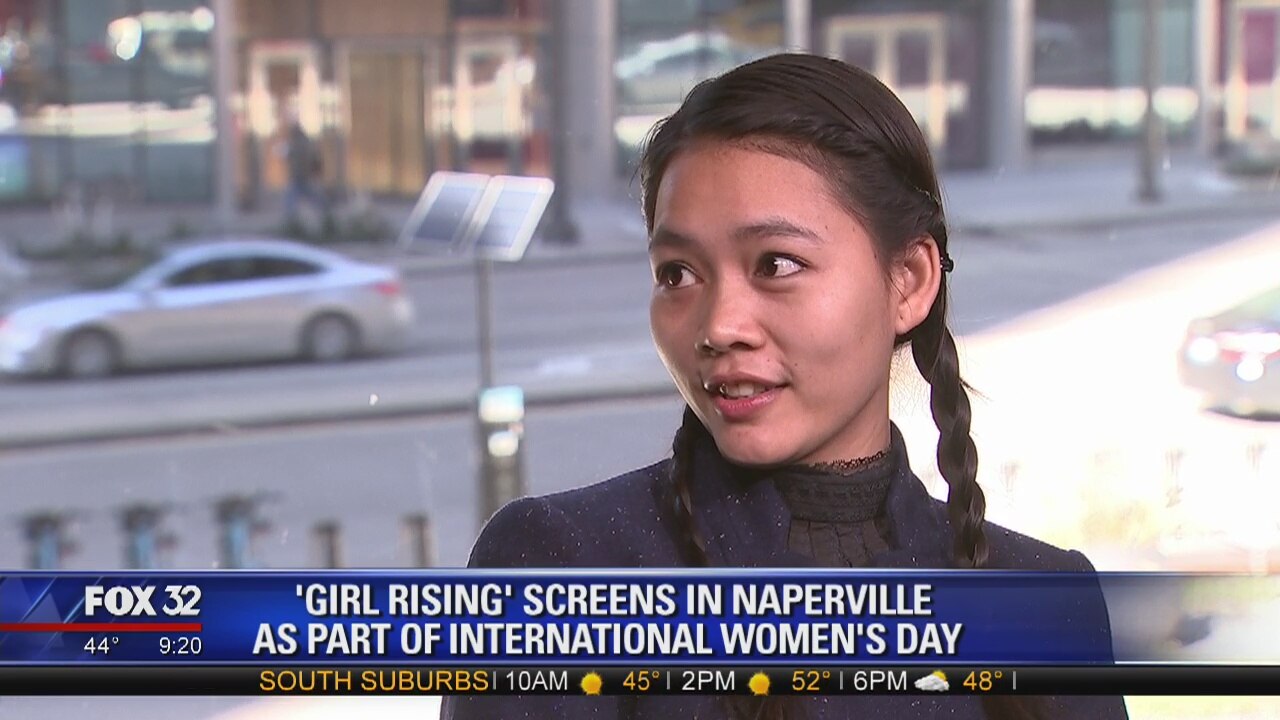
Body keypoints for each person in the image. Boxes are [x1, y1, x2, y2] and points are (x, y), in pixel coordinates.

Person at [443, 54, 1127, 720]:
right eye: (677, 273)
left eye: (776, 264)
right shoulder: (560, 568)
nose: (720, 326)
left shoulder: (1046, 598)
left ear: (910, 281)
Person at [283, 118, 327, 227]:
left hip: (301, 175)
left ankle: (291, 218)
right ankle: (324, 209)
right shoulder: (305, 142)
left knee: (295, 196)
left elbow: (302, 159)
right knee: (304, 195)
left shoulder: (298, 144)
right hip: (303, 175)